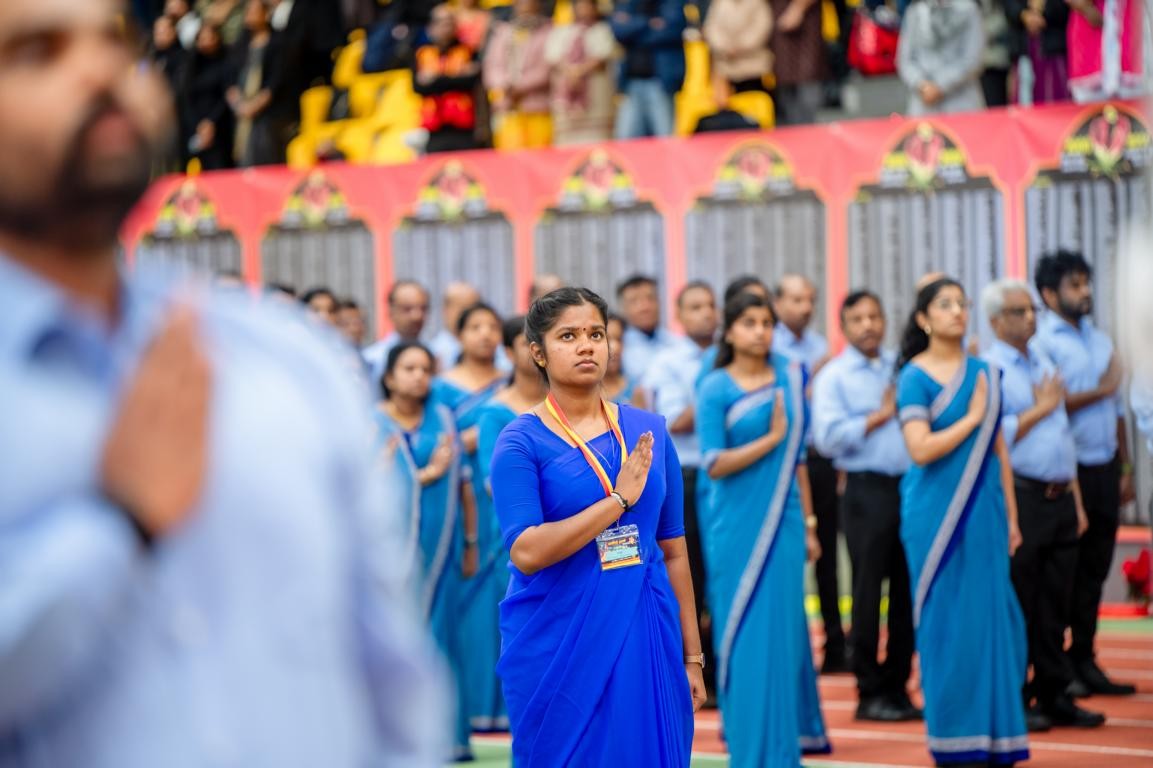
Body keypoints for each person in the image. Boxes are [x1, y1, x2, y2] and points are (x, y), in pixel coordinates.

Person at [0, 1, 444, 764]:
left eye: (116, 42)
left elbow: (394, 691)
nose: (100, 71)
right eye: (37, 52)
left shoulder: (285, 363)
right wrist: (117, 529)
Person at [490, 287, 705, 765]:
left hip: (644, 627)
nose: (587, 345)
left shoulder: (649, 430)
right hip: (558, 637)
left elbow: (673, 550)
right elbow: (525, 550)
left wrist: (692, 657)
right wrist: (618, 501)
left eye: (596, 334)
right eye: (568, 336)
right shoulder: (520, 441)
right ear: (538, 353)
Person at [895, 277, 1029, 768]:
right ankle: (954, 739)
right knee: (946, 624)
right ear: (924, 319)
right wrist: (971, 419)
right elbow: (919, 448)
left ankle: (997, 737)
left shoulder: (987, 373)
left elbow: (999, 450)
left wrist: (1012, 515)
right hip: (934, 517)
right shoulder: (913, 376)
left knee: (994, 620)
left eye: (962, 304)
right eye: (944, 304)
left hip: (986, 512)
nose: (956, 311)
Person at [697, 293, 829, 767]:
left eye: (767, 322)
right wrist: (769, 439)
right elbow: (713, 463)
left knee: (783, 631)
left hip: (787, 520)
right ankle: (750, 747)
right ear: (729, 331)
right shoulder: (715, 385)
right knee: (744, 630)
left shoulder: (791, 376)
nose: (760, 331)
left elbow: (797, 460)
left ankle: (782, 749)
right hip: (735, 523)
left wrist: (811, 525)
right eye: (749, 322)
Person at [980, 279, 1106, 731]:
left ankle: (1055, 693)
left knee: (1057, 601)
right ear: (995, 321)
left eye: (1031, 309)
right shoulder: (990, 368)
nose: (1030, 317)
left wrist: (1075, 498)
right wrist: (1042, 407)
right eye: (1017, 312)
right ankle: (1016, 695)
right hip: (1024, 496)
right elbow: (996, 434)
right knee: (1021, 603)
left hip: (1059, 496)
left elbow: (1061, 435)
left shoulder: (1043, 358)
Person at [1032, 252, 1137, 697]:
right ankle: (1058, 670)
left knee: (1094, 569)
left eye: (1087, 283)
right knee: (1063, 575)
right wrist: (1102, 390)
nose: (1086, 292)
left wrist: (1125, 466)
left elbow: (1118, 409)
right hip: (1065, 473)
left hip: (1104, 466)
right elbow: (1049, 403)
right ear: (1050, 294)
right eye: (1075, 285)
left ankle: (1085, 658)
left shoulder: (1098, 339)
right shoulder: (1041, 342)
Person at [812, 291, 919, 722]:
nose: (869, 324)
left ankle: (898, 685)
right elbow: (826, 439)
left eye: (875, 315)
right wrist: (878, 416)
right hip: (864, 492)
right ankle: (868, 690)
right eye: (858, 318)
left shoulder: (902, 367)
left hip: (909, 489)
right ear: (844, 325)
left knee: (906, 593)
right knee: (867, 589)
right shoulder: (835, 377)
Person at [374, 342, 479, 762]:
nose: (419, 376)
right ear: (389, 377)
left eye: (425, 369)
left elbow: (465, 486)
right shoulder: (372, 425)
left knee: (443, 640)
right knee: (401, 637)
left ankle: (450, 739)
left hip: (443, 548)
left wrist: (471, 543)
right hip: (392, 555)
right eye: (409, 368)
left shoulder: (442, 421)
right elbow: (371, 488)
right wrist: (426, 474)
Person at [469, 314, 548, 731]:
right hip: (518, 534)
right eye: (522, 341)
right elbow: (491, 482)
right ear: (511, 350)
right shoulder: (496, 415)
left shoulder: (565, 405)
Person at [641, 282, 719, 699]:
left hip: (725, 479)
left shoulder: (729, 357)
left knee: (722, 577)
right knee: (692, 574)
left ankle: (723, 671)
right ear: (680, 314)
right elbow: (670, 423)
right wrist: (714, 397)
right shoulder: (667, 362)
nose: (706, 313)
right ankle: (693, 665)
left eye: (711, 305)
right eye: (695, 306)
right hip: (684, 474)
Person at [772, 274, 846, 673]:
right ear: (777, 301)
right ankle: (789, 648)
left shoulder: (819, 346)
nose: (804, 307)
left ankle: (836, 646)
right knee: (789, 551)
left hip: (818, 459)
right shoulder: (772, 350)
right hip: (781, 462)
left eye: (810, 299)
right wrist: (812, 380)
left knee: (828, 556)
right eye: (796, 299)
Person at [227, 0, 299, 167]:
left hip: (270, 114)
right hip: (241, 116)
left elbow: (276, 82)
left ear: (266, 14)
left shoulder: (279, 43)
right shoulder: (240, 46)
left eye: (254, 11)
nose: (249, 15)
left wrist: (253, 106)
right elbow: (229, 79)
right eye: (248, 11)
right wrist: (239, 105)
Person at [544, 0, 618, 145]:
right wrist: (571, 72)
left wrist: (579, 71)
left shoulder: (603, 30)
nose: (584, 10)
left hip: (595, 100)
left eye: (587, 6)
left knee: (597, 143)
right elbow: (552, 57)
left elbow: (602, 56)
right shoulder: (562, 31)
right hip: (567, 103)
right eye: (580, 6)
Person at [610, 0, 686, 138]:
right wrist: (649, 23)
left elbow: (671, 30)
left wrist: (633, 30)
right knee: (625, 142)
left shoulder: (672, 3)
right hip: (631, 83)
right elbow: (618, 30)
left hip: (660, 83)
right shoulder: (630, 3)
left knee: (665, 140)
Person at [483, 0, 553, 150]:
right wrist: (504, 85)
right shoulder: (503, 32)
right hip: (507, 106)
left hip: (538, 108)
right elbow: (492, 65)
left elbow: (546, 68)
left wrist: (520, 87)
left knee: (540, 156)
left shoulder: (548, 31)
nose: (525, 6)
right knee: (510, 158)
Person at [896, 0, 986, 116]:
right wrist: (922, 85)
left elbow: (973, 59)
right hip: (923, 106)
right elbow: (905, 60)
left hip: (962, 103)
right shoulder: (915, 11)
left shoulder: (969, 10)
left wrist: (940, 86)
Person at [413, 5, 483, 154]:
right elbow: (418, 87)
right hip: (435, 127)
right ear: (431, 26)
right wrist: (456, 76)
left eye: (450, 22)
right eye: (442, 22)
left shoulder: (468, 51)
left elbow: (470, 82)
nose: (447, 27)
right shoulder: (422, 53)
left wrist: (435, 79)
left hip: (464, 126)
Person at [1067, 0, 1147, 103]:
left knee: (1136, 111)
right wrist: (1086, 9)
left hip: (1132, 41)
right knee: (1092, 113)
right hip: (1091, 44)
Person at [180, 23, 236, 170]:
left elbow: (228, 96)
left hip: (220, 127)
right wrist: (198, 125)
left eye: (211, 37)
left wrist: (211, 123)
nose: (207, 41)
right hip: (195, 127)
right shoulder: (191, 65)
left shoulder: (227, 61)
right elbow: (186, 97)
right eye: (203, 38)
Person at [767, 0, 829, 125]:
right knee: (786, 97)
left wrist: (797, 8)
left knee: (808, 91)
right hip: (778, 28)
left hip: (805, 30)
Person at [363, 280, 431, 382]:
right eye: (407, 309)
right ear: (391, 311)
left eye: (423, 308)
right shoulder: (373, 359)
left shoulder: (437, 355)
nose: (417, 316)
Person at [1004, 0, 1070, 104]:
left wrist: (1043, 10)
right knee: (1024, 95)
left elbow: (1065, 9)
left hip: (1053, 47)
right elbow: (1009, 6)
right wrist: (1024, 15)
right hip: (1024, 46)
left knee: (1055, 98)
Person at [617, 274, 678, 383]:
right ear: (623, 309)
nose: (645, 307)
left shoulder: (677, 343)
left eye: (650, 298)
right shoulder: (618, 349)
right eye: (634, 301)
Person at [703, 0, 774, 95]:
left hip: (752, 67)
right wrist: (724, 46)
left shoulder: (757, 3)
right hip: (725, 67)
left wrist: (741, 45)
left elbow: (762, 27)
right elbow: (711, 28)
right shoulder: (720, 3)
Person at [429, 282, 481, 371]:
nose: (467, 315)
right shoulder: (432, 352)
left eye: (473, 308)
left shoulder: (495, 351)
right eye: (462, 307)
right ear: (445, 310)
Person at [604, 314, 646, 406]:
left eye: (619, 340)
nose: (615, 348)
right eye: (607, 339)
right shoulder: (585, 391)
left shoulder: (635, 391)